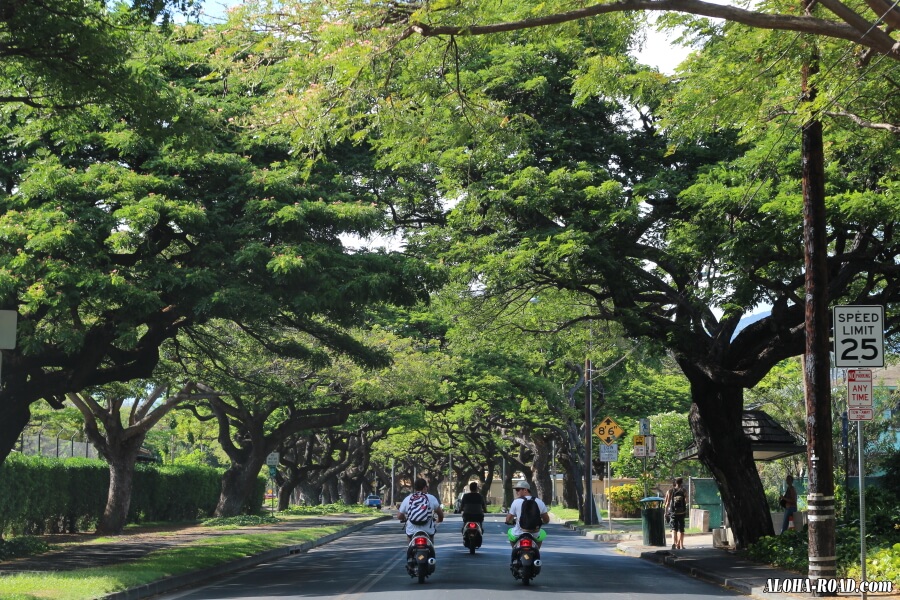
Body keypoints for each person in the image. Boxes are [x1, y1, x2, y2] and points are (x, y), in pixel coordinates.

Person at [505, 480, 550, 548]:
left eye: (518, 489)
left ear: (525, 490)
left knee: (510, 532)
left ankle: (514, 551)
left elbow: (508, 519)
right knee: (542, 533)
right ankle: (536, 551)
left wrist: (509, 521)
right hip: (535, 533)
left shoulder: (516, 502)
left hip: (519, 533)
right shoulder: (539, 502)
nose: (516, 492)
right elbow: (546, 519)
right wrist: (542, 522)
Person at [667, 477, 687, 550]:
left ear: (675, 482)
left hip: (673, 512)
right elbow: (686, 501)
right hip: (682, 512)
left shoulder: (671, 491)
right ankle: (679, 544)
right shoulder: (684, 490)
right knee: (681, 529)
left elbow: (668, 502)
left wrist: (666, 511)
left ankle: (673, 543)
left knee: (673, 528)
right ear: (682, 482)